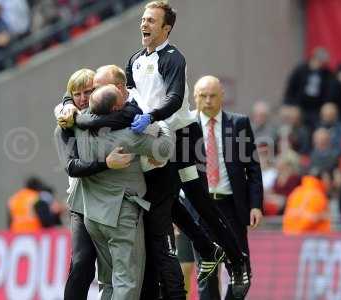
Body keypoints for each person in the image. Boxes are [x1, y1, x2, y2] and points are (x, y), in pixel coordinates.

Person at [126, 2, 254, 298]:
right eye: (143, 19)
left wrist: (150, 116)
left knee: (199, 202)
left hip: (183, 136)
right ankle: (209, 249)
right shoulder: (133, 59)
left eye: (151, 21)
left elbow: (173, 99)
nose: (144, 25)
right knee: (169, 200)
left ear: (166, 28)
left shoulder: (174, 58)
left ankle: (237, 260)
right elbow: (133, 97)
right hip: (157, 137)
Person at [70, 84, 174, 299]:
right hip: (120, 215)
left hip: (92, 217)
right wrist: (162, 124)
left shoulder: (79, 127)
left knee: (107, 282)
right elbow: (165, 149)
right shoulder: (127, 136)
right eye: (123, 102)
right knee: (127, 281)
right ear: (117, 108)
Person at [54, 68, 139, 300]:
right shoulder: (65, 126)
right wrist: (107, 163)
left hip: (111, 203)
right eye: (77, 94)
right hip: (81, 204)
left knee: (114, 270)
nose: (82, 98)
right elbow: (72, 167)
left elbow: (129, 111)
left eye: (88, 92)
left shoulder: (111, 116)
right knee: (82, 263)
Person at [190, 76, 264, 300]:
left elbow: (252, 168)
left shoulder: (239, 124)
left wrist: (256, 205)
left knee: (242, 273)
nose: (208, 101)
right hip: (199, 209)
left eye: (213, 95)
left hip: (231, 206)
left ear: (222, 95)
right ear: (195, 97)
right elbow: (176, 172)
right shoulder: (185, 125)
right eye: (203, 96)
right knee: (207, 275)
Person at [283, 47, 333, 129]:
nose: (320, 64)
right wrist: (291, 104)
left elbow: (329, 92)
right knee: (293, 116)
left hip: (316, 107)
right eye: (319, 61)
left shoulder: (326, 74)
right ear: (313, 59)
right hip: (299, 104)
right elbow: (290, 89)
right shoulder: (300, 70)